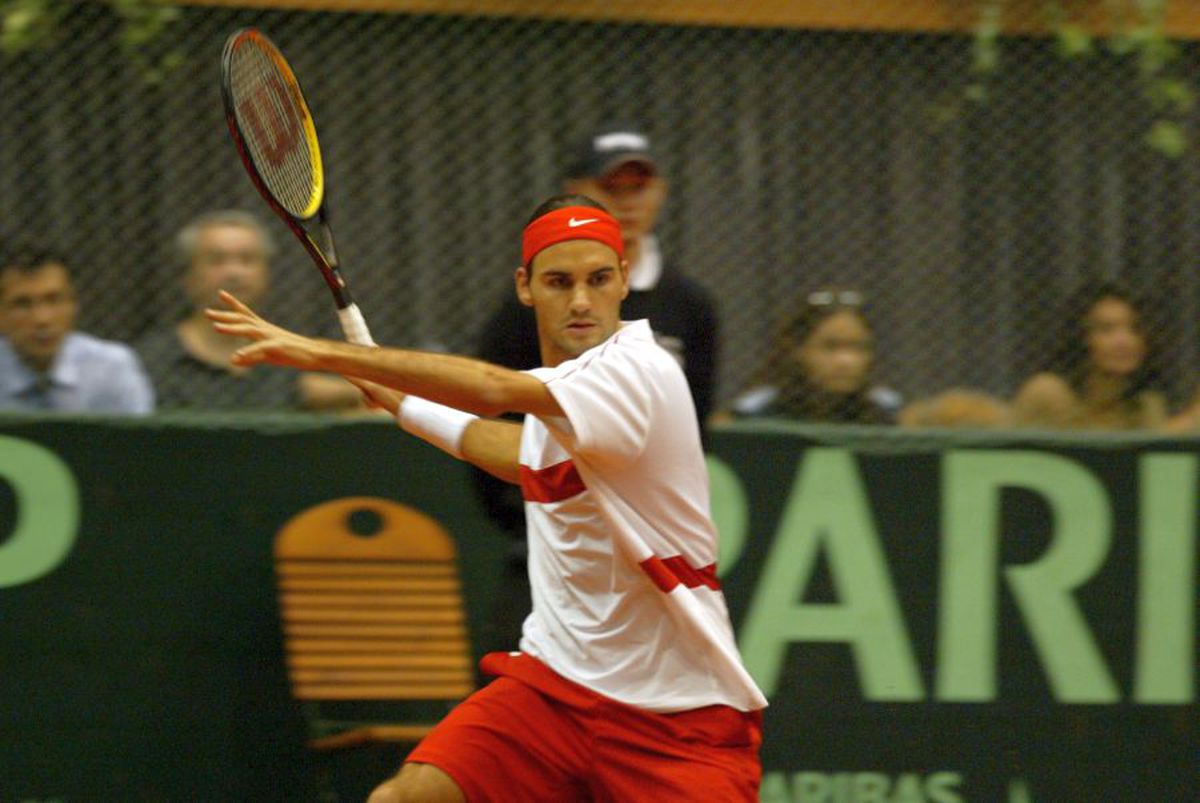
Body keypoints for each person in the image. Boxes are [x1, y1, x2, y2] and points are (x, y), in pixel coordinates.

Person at [207, 195, 766, 802]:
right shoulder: (566, 414)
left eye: (598, 280)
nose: (580, 300)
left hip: (677, 718)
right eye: (559, 282)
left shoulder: (638, 372)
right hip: (555, 689)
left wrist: (318, 352)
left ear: (624, 281)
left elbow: (492, 390)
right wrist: (398, 399)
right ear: (525, 287)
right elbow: (515, 451)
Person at [473, 124, 721, 661]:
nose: (628, 202)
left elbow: (693, 434)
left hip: (649, 559)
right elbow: (492, 404)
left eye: (640, 186)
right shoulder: (522, 311)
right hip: (544, 549)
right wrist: (548, 509)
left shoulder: (691, 307)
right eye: (612, 188)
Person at [135, 210, 361, 411]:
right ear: (188, 276)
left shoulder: (287, 357)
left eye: (247, 259)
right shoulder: (148, 363)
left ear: (267, 273)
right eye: (217, 260)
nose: (234, 272)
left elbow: (321, 392)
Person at [0, 239, 153, 413]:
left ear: (74, 305)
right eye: (23, 304)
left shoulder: (112, 369)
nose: (42, 319)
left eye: (54, 300)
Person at [723, 288, 901, 424]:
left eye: (859, 347)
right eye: (830, 347)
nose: (846, 361)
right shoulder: (755, 412)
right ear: (798, 350)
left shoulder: (888, 410)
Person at [1011, 280, 1168, 429]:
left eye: (1135, 329)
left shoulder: (1146, 405)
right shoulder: (1048, 393)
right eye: (1107, 329)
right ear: (1082, 338)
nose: (1125, 341)